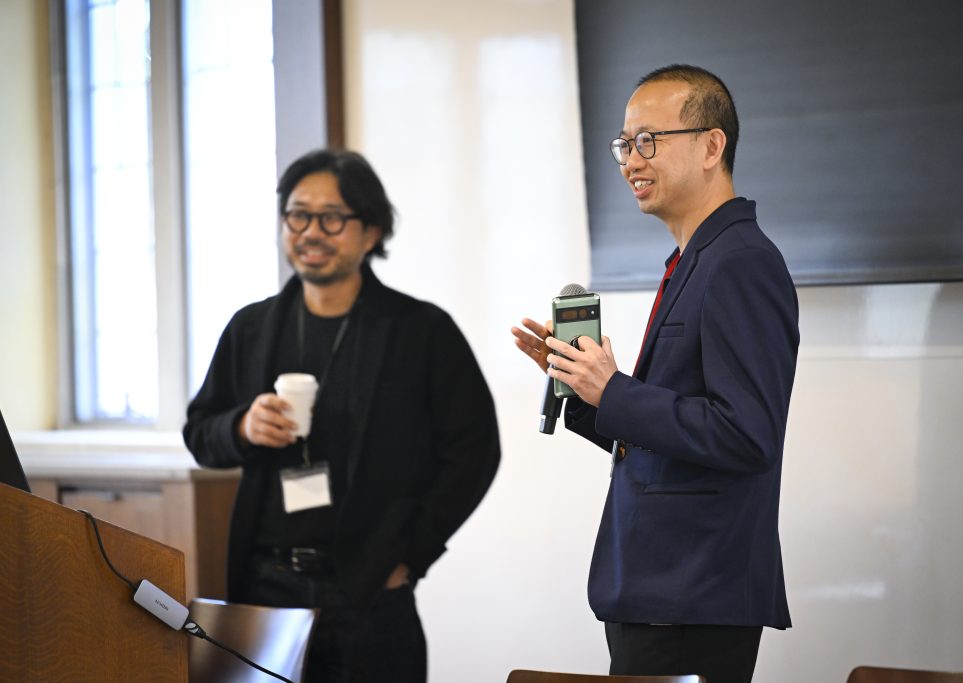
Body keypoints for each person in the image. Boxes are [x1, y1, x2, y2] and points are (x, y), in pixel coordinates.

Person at [512, 64, 799, 682]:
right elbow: (664, 436)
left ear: (711, 145)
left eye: (650, 140)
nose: (631, 160)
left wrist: (616, 389)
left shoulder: (741, 262)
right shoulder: (692, 259)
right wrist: (585, 391)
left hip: (695, 590)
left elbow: (746, 434)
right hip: (660, 587)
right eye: (624, 144)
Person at [184, 148, 500, 683]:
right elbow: (200, 431)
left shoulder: (420, 331)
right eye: (298, 215)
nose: (311, 231)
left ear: (371, 231)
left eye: (332, 217)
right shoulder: (252, 328)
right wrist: (242, 426)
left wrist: (411, 555)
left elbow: (474, 452)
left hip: (370, 590)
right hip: (265, 587)